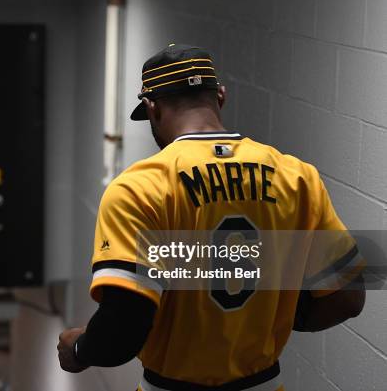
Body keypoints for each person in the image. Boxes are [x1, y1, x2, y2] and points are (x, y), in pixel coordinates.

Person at [57, 44, 366, 391]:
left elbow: (123, 328)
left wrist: (79, 348)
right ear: (220, 96)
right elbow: (347, 299)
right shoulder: (296, 176)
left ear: (151, 107)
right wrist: (265, 315)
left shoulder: (138, 188)